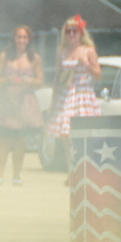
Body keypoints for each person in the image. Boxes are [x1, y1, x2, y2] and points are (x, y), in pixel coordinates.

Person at [45, 14, 101, 181]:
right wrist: (53, 101)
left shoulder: (88, 51)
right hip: (66, 95)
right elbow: (57, 76)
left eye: (74, 31)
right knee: (66, 136)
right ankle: (72, 171)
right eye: (68, 31)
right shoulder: (62, 52)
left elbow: (98, 75)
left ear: (81, 33)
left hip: (83, 94)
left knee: (84, 135)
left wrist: (86, 63)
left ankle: (86, 171)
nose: (71, 34)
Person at [0, 25, 44, 185]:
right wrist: (8, 80)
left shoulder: (35, 58)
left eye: (25, 37)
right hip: (6, 101)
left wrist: (30, 81)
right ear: (14, 38)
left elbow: (40, 81)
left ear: (29, 39)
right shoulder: (5, 56)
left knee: (20, 140)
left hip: (25, 102)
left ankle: (17, 175)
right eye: (19, 37)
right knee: (3, 139)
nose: (21, 40)